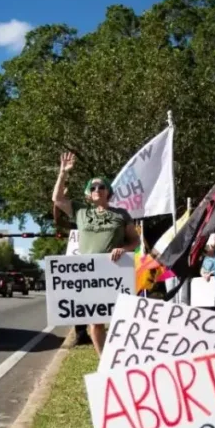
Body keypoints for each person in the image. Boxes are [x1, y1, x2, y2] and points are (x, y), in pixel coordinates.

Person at [52, 151, 139, 355]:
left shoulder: (121, 214)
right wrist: (63, 172)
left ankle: (122, 355)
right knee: (96, 321)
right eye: (93, 188)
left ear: (108, 192)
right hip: (89, 275)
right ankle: (104, 360)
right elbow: (57, 198)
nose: (97, 190)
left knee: (121, 318)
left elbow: (135, 241)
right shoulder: (81, 211)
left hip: (115, 272)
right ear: (88, 194)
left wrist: (123, 249)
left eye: (101, 187)